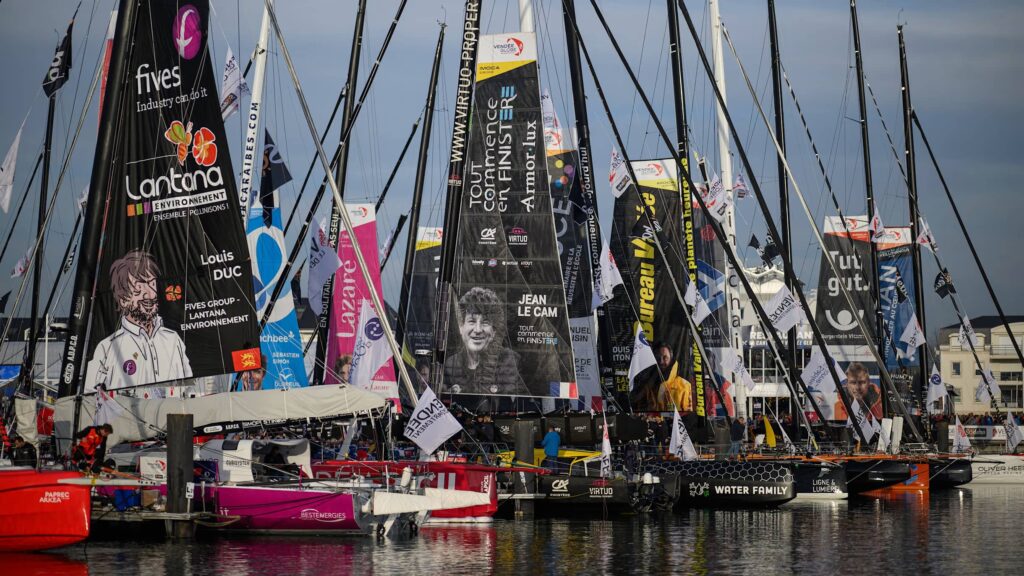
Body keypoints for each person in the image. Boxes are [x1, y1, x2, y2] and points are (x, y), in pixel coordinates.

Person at [84, 250, 192, 392]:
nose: (149, 295)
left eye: (152, 284)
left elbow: (190, 389)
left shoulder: (173, 339)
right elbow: (90, 395)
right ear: (123, 300)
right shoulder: (107, 348)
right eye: (138, 289)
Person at [442, 287, 529, 396]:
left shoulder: (510, 361)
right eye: (472, 321)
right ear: (461, 327)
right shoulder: (450, 365)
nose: (478, 330)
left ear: (494, 331)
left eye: (485, 322)